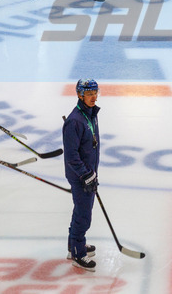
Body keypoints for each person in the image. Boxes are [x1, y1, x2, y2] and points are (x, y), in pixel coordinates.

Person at [63, 78, 100, 271]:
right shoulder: (75, 121)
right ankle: (78, 253)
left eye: (95, 93)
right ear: (79, 95)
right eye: (88, 94)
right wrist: (86, 175)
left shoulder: (90, 114)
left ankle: (74, 245)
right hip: (81, 176)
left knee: (80, 210)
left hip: (87, 173)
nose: (93, 97)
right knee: (84, 215)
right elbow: (71, 155)